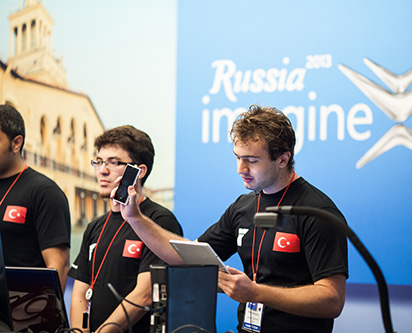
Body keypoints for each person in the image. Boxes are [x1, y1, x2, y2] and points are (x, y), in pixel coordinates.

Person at [117, 105, 349, 332]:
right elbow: (188, 257)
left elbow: (332, 299)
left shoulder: (317, 211)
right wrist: (136, 218)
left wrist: (256, 292)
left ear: (283, 159)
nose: (240, 168)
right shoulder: (243, 207)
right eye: (238, 157)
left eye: (252, 160)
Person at [69, 125, 183, 333]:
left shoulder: (160, 221)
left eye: (114, 162)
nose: (102, 170)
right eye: (99, 161)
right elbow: (80, 289)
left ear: (138, 172)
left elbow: (145, 293)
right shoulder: (96, 225)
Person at [0, 104, 71, 289]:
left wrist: (45, 316)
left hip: (22, 312)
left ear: (16, 143)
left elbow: (58, 268)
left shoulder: (45, 193)